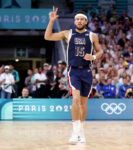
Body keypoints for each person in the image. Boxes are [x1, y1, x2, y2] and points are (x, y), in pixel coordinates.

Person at [44, 7, 102, 144]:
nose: (79, 21)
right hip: (74, 71)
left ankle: (81, 131)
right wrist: (51, 21)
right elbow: (48, 36)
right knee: (75, 100)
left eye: (82, 19)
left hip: (87, 71)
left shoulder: (92, 36)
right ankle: (75, 132)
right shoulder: (67, 34)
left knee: (83, 104)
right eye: (77, 19)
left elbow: (100, 52)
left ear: (86, 21)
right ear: (74, 21)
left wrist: (93, 56)